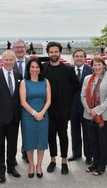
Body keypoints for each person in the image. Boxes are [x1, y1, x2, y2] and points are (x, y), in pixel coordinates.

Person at [43, 42, 80, 175]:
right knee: (50, 136)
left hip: (63, 110)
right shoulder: (44, 68)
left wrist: (67, 97)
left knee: (63, 135)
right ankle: (52, 160)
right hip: (48, 109)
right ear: (48, 53)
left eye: (56, 52)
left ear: (60, 52)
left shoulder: (68, 69)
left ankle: (64, 161)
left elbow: (76, 86)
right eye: (51, 52)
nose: (54, 54)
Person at [0, 50, 22, 184]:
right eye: (6, 60)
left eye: (11, 60)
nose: (8, 62)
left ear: (14, 61)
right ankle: (1, 171)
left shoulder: (19, 75)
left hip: (14, 117)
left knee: (12, 144)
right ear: (2, 61)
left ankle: (11, 167)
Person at [81, 56, 107, 176]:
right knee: (93, 141)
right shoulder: (87, 78)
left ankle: (102, 166)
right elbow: (82, 96)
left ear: (104, 65)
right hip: (89, 115)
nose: (97, 67)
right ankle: (94, 163)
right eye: (94, 65)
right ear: (92, 66)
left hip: (104, 116)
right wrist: (89, 110)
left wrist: (97, 110)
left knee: (103, 142)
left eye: (99, 65)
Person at [20, 58, 51, 178]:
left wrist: (41, 113)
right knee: (29, 141)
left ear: (40, 69)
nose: (34, 69)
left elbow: (48, 100)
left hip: (43, 115)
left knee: (41, 141)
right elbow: (23, 102)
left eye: (37, 67)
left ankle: (39, 165)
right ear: (28, 69)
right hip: (28, 115)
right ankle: (31, 165)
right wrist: (34, 113)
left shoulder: (46, 82)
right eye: (32, 67)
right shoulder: (24, 82)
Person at [68, 49, 93, 164]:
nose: (78, 58)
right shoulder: (68, 70)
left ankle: (89, 154)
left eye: (81, 56)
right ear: (73, 58)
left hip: (86, 107)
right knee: (74, 130)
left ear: (85, 58)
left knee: (87, 132)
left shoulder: (91, 70)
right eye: (76, 56)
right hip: (72, 105)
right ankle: (76, 153)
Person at [12, 39, 31, 162]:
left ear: (25, 48)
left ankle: (26, 151)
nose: (19, 49)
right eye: (17, 47)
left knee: (27, 130)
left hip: (29, 103)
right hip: (12, 103)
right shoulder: (8, 62)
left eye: (21, 47)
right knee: (12, 132)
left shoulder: (32, 62)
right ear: (13, 49)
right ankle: (11, 156)